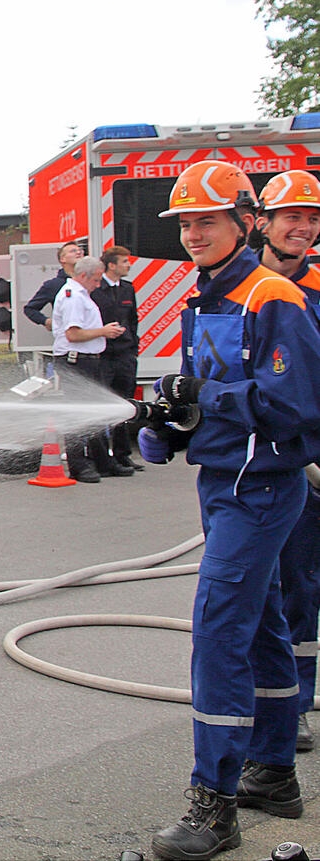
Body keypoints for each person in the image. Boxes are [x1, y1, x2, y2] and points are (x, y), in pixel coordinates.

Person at [138, 160, 320, 861]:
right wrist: (167, 427)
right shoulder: (205, 298)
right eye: (185, 223)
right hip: (223, 485)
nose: (193, 234)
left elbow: (295, 406)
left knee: (218, 633)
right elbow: (211, 394)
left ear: (245, 222)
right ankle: (273, 771)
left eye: (206, 221)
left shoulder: (273, 297)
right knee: (265, 624)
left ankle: (213, 804)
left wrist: (204, 398)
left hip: (262, 491)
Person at [253, 169, 320, 755]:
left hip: (308, 463)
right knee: (257, 587)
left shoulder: (317, 289)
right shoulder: (240, 288)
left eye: (313, 218)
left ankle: (295, 705)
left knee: (301, 585)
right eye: (292, 216)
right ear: (264, 223)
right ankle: (263, 700)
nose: (304, 227)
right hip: (253, 467)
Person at [51, 255, 128, 483]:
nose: (98, 284)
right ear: (83, 275)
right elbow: (73, 334)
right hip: (76, 361)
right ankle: (79, 464)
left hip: (87, 359)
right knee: (79, 413)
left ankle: (103, 461)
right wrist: (103, 331)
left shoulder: (82, 294)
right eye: (95, 279)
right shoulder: (73, 297)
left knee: (95, 411)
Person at [91, 246, 141, 472]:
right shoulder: (96, 290)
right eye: (124, 261)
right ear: (111, 265)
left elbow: (133, 319)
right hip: (104, 356)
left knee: (124, 405)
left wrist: (133, 347)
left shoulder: (127, 289)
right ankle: (103, 458)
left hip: (125, 355)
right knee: (102, 406)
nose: (128, 265)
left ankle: (123, 455)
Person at [23, 241, 84, 332]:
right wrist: (46, 321)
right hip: (67, 335)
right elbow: (30, 309)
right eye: (73, 251)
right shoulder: (53, 285)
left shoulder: (90, 281)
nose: (78, 253)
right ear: (62, 259)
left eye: (80, 250)